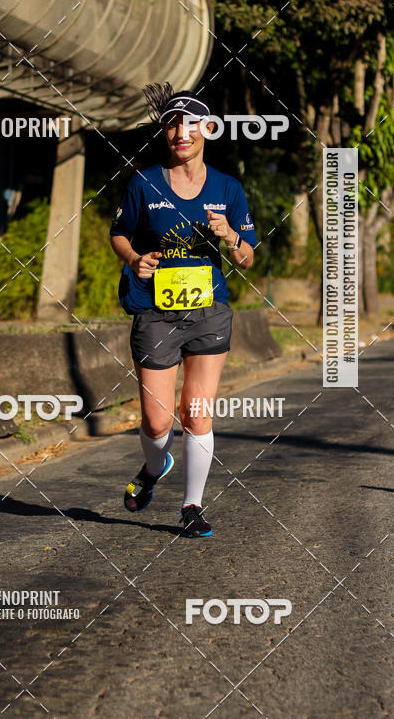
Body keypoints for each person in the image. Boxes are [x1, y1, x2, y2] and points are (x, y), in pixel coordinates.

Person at [109, 83, 258, 537]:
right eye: (173, 123)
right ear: (166, 132)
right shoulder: (144, 182)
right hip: (154, 311)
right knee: (157, 421)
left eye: (191, 123)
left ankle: (192, 505)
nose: (181, 132)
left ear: (207, 129)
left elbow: (247, 255)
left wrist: (231, 235)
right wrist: (135, 258)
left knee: (195, 411)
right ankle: (155, 468)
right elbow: (119, 233)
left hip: (208, 310)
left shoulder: (228, 188)